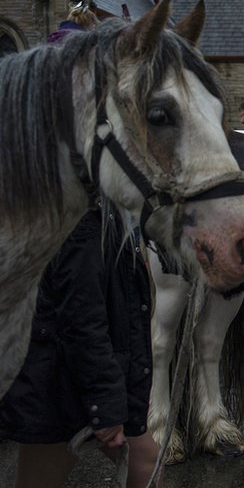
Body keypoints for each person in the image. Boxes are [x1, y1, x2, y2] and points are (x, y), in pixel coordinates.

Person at [0, 206, 161, 488]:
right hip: (61, 390)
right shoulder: (76, 223)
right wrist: (106, 407)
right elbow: (82, 323)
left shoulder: (91, 211)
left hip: (76, 385)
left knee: (146, 460)